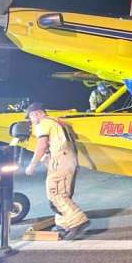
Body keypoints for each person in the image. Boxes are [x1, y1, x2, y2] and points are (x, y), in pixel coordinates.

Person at [24, 102, 90, 240]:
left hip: (61, 160)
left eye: (30, 116)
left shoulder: (43, 123)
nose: (31, 120)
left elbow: (41, 145)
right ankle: (63, 225)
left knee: (56, 194)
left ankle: (78, 222)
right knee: (62, 194)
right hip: (68, 158)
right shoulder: (57, 122)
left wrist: (32, 164)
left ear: (37, 113)